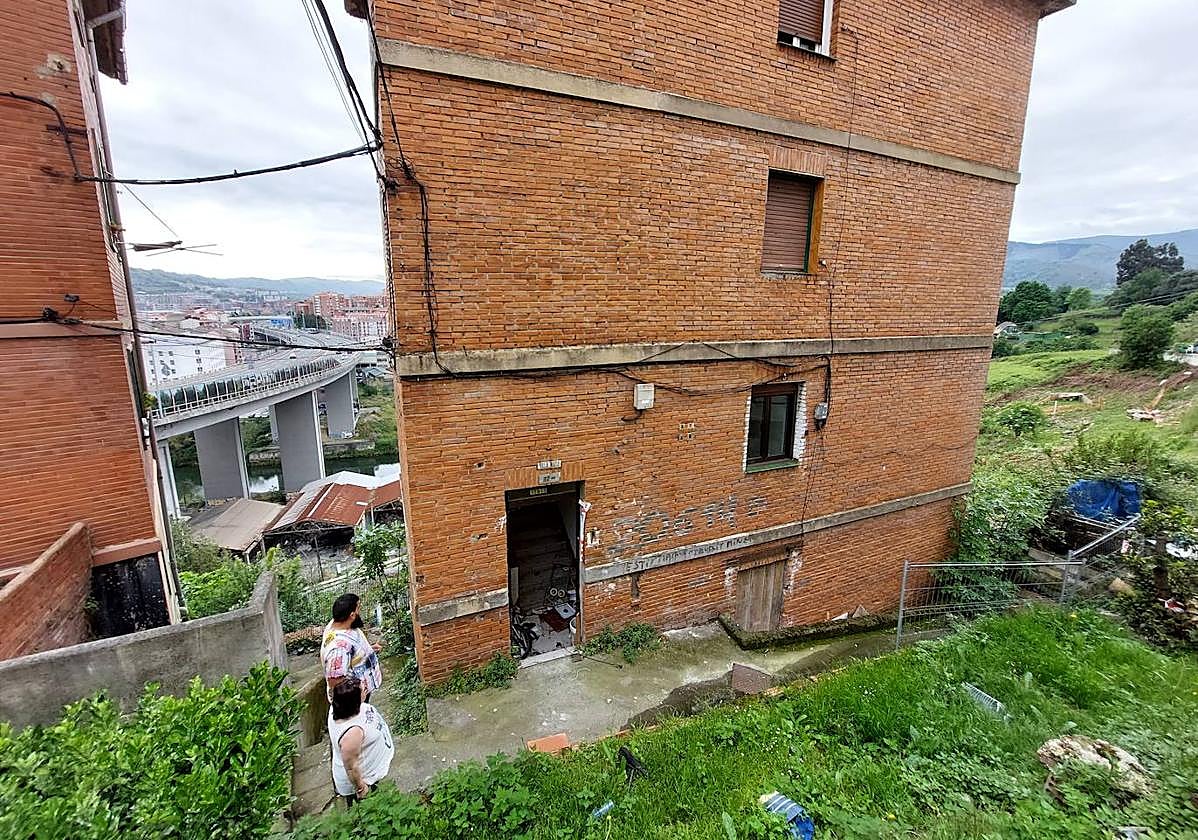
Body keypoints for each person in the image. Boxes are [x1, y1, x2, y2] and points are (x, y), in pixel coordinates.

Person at [328, 677, 394, 804]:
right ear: (353, 700)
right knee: (374, 806)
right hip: (366, 779)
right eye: (363, 689)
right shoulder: (351, 733)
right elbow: (351, 767)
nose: (366, 688)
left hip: (373, 767)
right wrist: (361, 788)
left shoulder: (339, 707)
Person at [321, 593, 383, 701]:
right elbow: (335, 682)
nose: (360, 611)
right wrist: (356, 703)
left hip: (362, 690)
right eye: (358, 607)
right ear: (352, 615)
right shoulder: (338, 649)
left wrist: (367, 650)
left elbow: (350, 655)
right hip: (354, 701)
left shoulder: (338, 624)